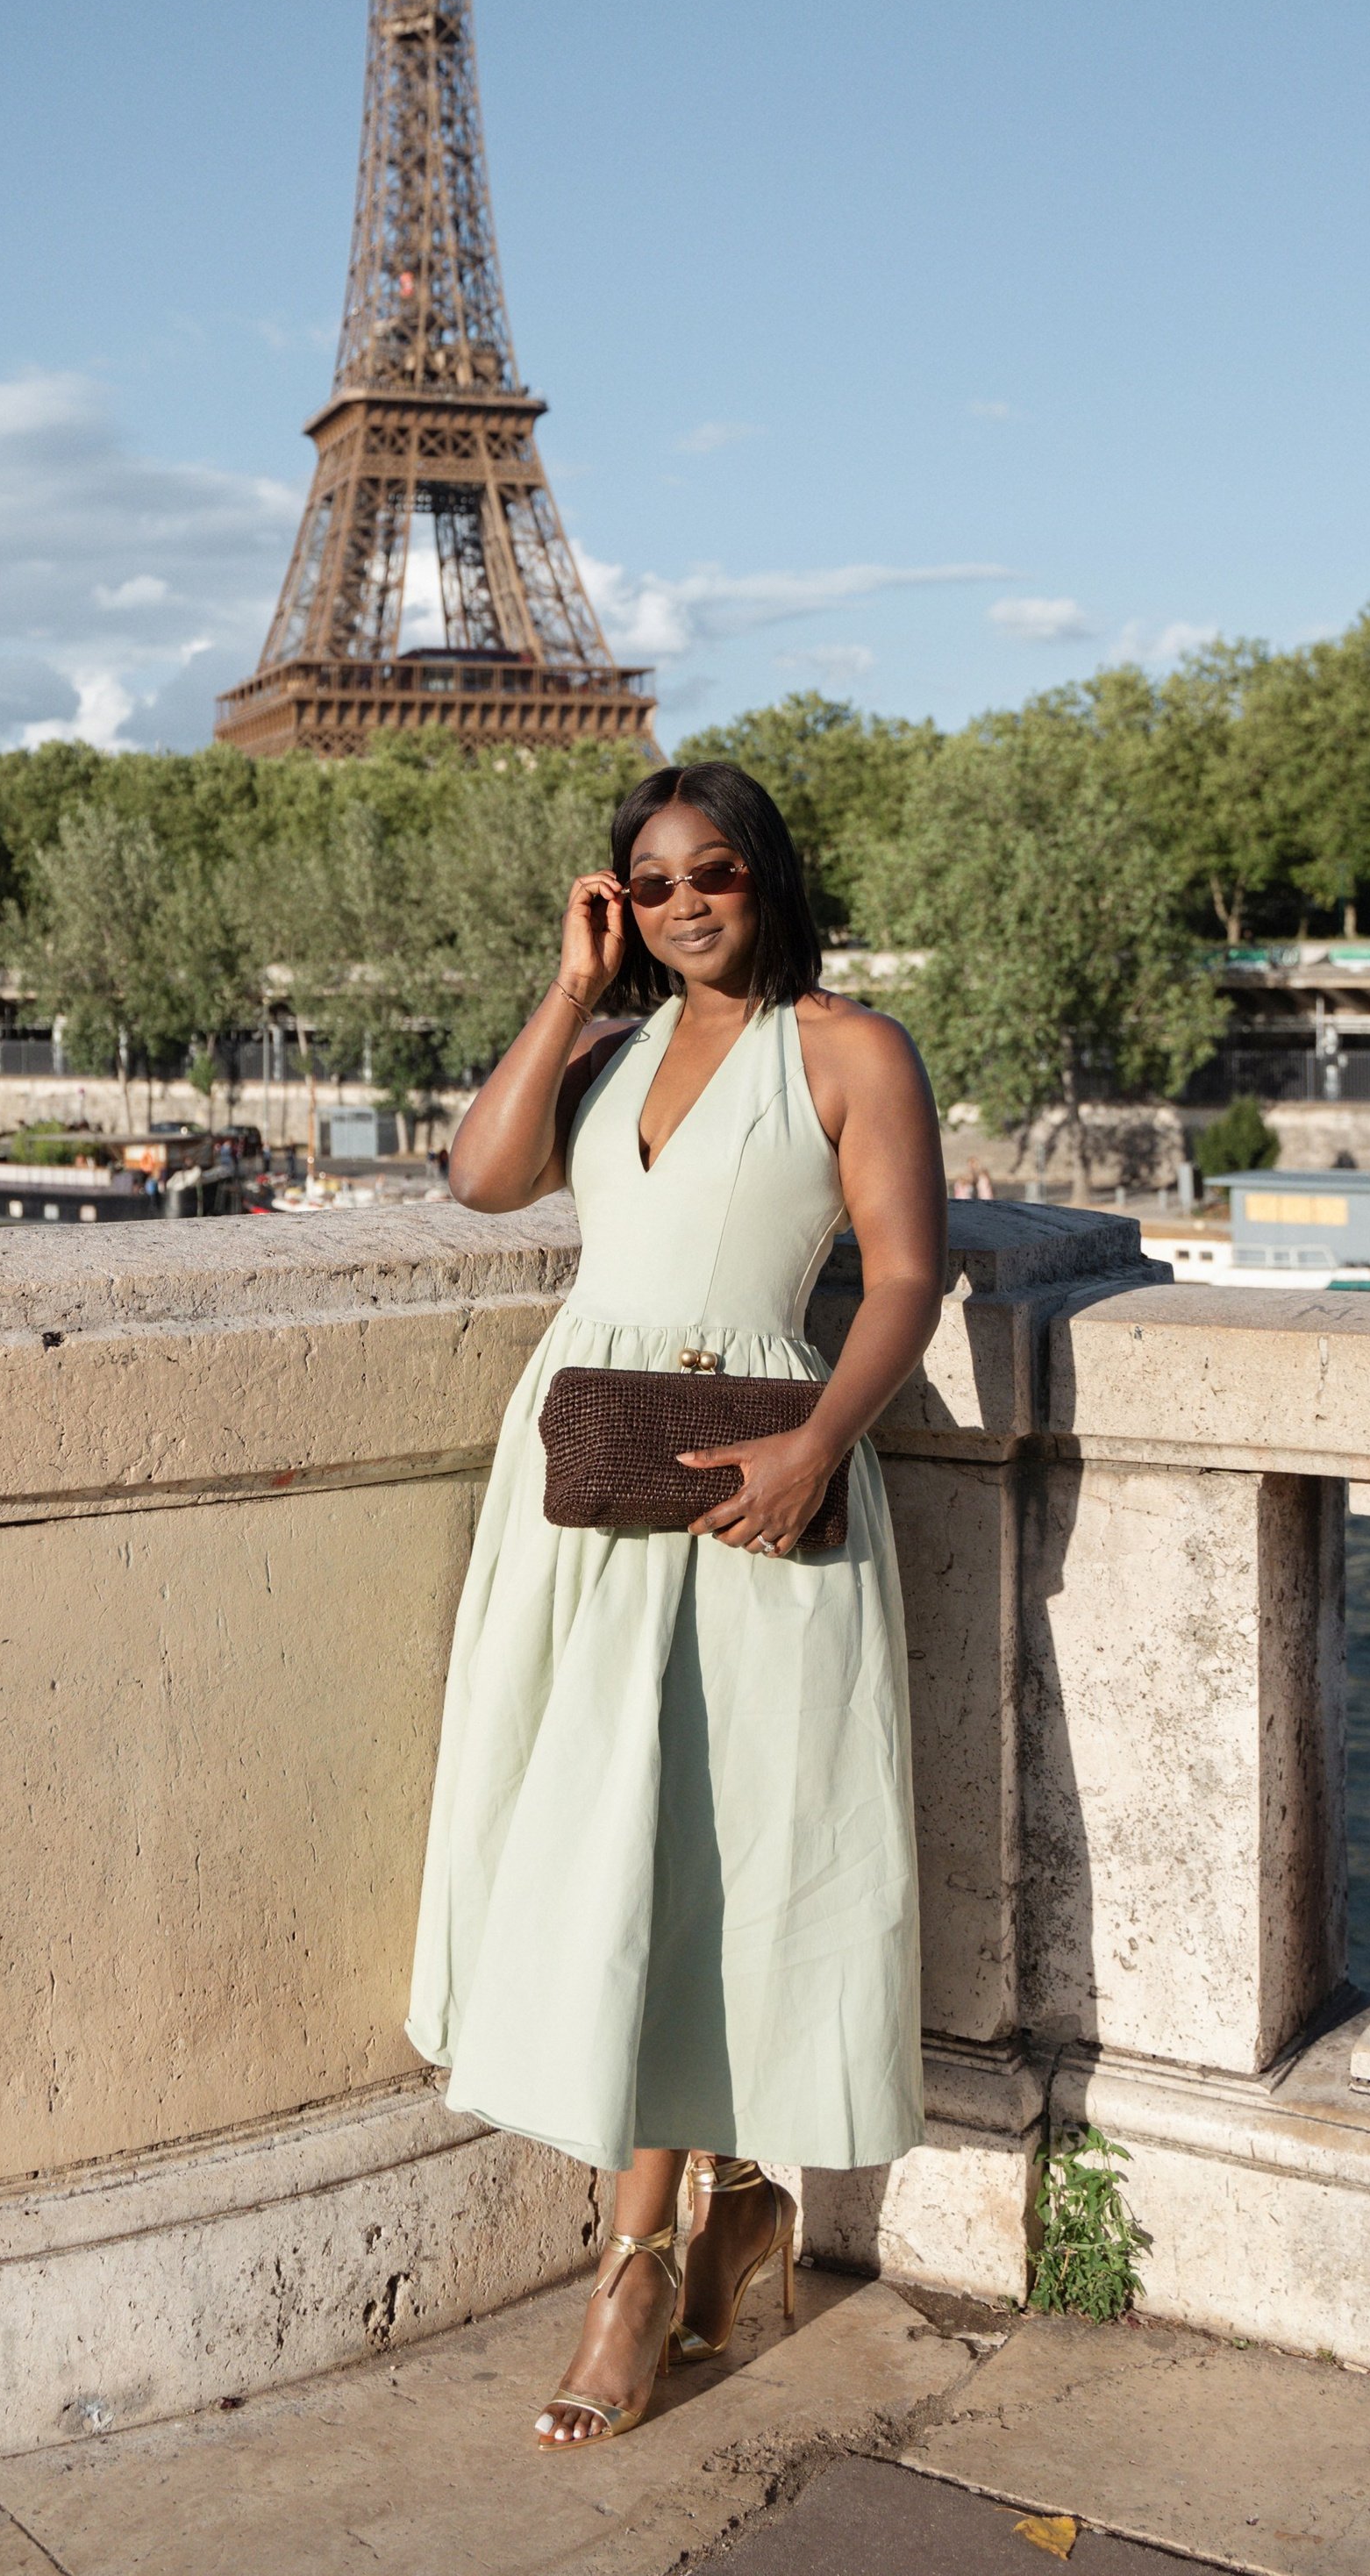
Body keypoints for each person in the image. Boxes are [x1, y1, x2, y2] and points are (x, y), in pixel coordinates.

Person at [407, 761, 945, 2446]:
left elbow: (909, 1276)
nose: (685, 902)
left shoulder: (849, 1049)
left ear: (767, 876)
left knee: (708, 1855)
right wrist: (570, 988)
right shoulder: (610, 1045)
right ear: (616, 901)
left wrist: (812, 1454)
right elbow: (483, 1179)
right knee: (606, 1849)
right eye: (649, 884)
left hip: (750, 1478)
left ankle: (636, 2266)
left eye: (714, 871)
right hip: (578, 1484)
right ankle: (736, 2217)